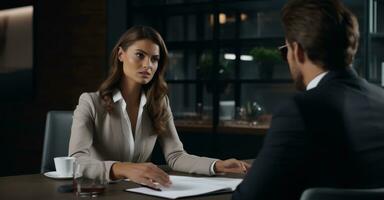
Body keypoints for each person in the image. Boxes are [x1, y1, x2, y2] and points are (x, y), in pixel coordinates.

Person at [232, 0, 384, 199]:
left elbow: (248, 197)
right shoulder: (381, 98)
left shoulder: (299, 110)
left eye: (285, 50)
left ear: (296, 50)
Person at [69, 25, 250, 189]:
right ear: (120, 54)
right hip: (102, 193)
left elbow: (176, 156)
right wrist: (123, 169)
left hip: (143, 192)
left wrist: (217, 165)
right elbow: (76, 162)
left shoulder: (159, 103)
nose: (148, 65)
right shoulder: (90, 102)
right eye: (140, 55)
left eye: (154, 59)